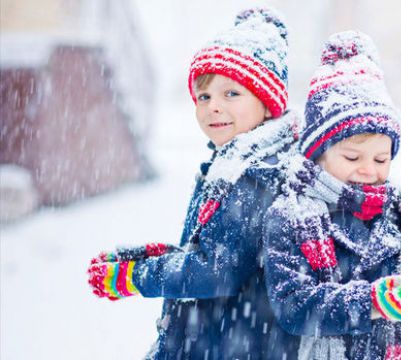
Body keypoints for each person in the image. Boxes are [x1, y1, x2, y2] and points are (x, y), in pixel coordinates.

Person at [87, 7, 300, 359]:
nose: (213, 107)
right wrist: (155, 256)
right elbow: (218, 249)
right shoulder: (232, 163)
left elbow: (217, 271)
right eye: (204, 96)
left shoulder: (257, 174)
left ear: (267, 104)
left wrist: (135, 276)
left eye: (231, 94)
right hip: (216, 339)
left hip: (232, 344)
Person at [263, 31, 401, 359]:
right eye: (352, 158)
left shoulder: (395, 209)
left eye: (381, 159)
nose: (368, 170)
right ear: (318, 153)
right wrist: (375, 301)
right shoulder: (292, 213)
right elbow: (294, 307)